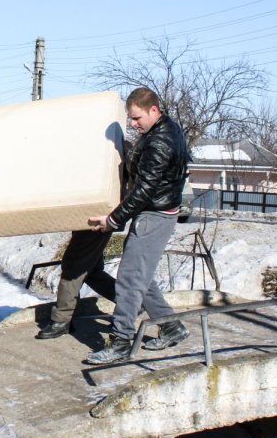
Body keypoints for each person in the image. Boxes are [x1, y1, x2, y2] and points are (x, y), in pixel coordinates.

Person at [83, 88, 192, 365]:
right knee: (140, 276)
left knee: (130, 278)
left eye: (137, 118)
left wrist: (113, 220)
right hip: (159, 212)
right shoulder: (167, 129)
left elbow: (143, 191)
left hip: (154, 215)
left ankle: (121, 342)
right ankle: (171, 326)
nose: (133, 124)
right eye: (130, 119)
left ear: (154, 110)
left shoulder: (158, 143)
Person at [34, 228, 117, 339]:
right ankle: (129, 303)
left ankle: (62, 321)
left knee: (73, 268)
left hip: (94, 222)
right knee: (91, 271)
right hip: (91, 222)